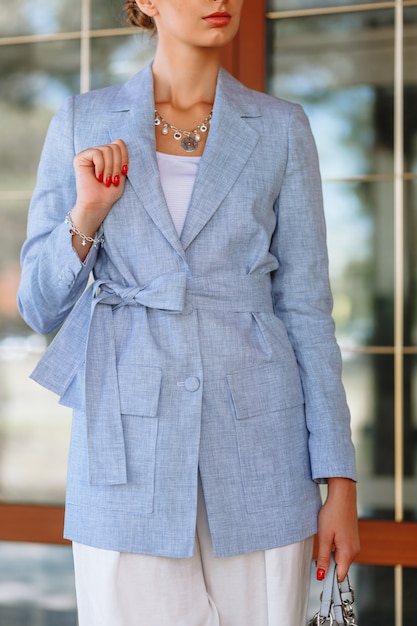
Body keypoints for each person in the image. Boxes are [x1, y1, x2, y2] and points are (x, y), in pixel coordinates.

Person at [17, 0, 360, 624]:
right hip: (123, 448)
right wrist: (87, 214)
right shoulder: (82, 121)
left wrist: (339, 481)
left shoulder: (281, 127)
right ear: (145, 1)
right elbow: (39, 305)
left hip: (264, 450)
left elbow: (308, 310)